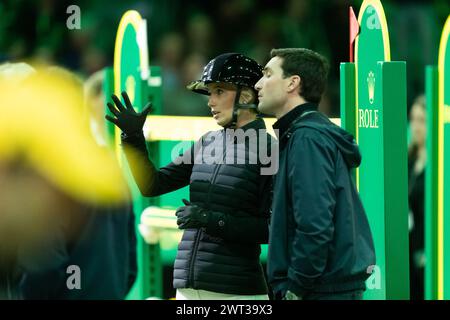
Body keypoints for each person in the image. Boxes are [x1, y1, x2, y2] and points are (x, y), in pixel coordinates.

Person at [106, 53, 275, 300]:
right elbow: (152, 185)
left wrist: (210, 219)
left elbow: (273, 229)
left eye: (219, 92)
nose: (210, 102)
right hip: (186, 285)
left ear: (246, 96)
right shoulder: (207, 142)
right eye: (210, 93)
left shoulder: (269, 150)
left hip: (236, 291)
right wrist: (133, 138)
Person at [255, 48, 375, 300]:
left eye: (267, 74)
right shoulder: (305, 134)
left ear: (292, 82)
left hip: (317, 290)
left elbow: (314, 222)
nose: (258, 84)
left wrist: (296, 287)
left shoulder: (307, 138)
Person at [407, 94, 426, 300]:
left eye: (422, 120)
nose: (416, 126)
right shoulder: (409, 161)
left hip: (429, 249)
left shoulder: (440, 164)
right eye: (413, 119)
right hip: (408, 247)